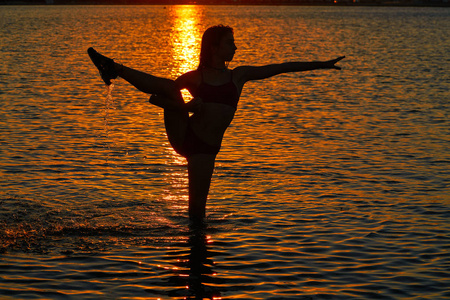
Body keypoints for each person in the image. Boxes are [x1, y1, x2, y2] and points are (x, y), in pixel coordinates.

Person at [88, 25, 344, 225]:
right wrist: (186, 108)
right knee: (168, 86)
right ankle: (113, 68)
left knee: (197, 214)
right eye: (230, 43)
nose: (235, 47)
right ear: (214, 47)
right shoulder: (195, 78)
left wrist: (321, 65)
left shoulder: (238, 75)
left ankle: (196, 260)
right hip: (185, 135)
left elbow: (281, 68)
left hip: (206, 150)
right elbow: (156, 99)